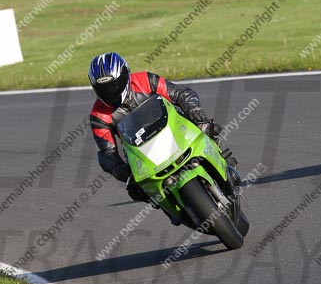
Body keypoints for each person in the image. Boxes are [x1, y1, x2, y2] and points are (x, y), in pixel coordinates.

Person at [88, 52, 239, 221]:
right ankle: (172, 207)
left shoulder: (145, 79)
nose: (110, 92)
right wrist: (123, 173)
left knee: (205, 126)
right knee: (135, 188)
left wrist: (197, 113)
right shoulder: (98, 115)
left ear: (125, 75)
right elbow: (108, 152)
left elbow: (180, 94)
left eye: (114, 85)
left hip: (173, 128)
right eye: (104, 89)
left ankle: (220, 158)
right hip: (141, 151)